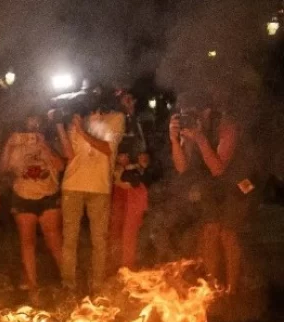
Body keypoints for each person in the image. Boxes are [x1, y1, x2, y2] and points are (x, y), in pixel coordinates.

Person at [169, 90, 257, 296]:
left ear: (206, 111)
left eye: (191, 112)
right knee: (209, 231)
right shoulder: (192, 128)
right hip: (212, 185)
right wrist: (174, 141)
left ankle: (231, 290)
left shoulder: (226, 125)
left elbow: (218, 168)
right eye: (183, 113)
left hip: (239, 181)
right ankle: (210, 287)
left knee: (227, 234)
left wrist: (200, 139)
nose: (187, 117)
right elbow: (182, 167)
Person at [56, 91, 125, 294]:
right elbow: (69, 154)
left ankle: (97, 283)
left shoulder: (116, 119)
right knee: (69, 238)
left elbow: (107, 148)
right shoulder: (79, 120)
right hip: (72, 184)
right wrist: (60, 125)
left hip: (99, 186)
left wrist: (82, 131)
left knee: (99, 239)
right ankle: (68, 283)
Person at [1, 111, 65, 303]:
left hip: (48, 196)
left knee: (54, 241)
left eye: (36, 124)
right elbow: (4, 168)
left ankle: (69, 279)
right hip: (23, 197)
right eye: (30, 124)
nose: (33, 128)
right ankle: (32, 285)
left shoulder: (49, 142)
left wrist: (44, 144)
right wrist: (9, 145)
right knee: (27, 242)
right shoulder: (17, 144)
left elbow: (60, 166)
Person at [108, 90, 152, 273]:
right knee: (115, 227)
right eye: (126, 99)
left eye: (131, 99)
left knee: (131, 228)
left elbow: (146, 151)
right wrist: (117, 160)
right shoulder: (112, 122)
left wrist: (144, 161)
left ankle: (128, 268)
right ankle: (111, 267)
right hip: (117, 182)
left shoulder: (139, 122)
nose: (130, 102)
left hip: (135, 181)